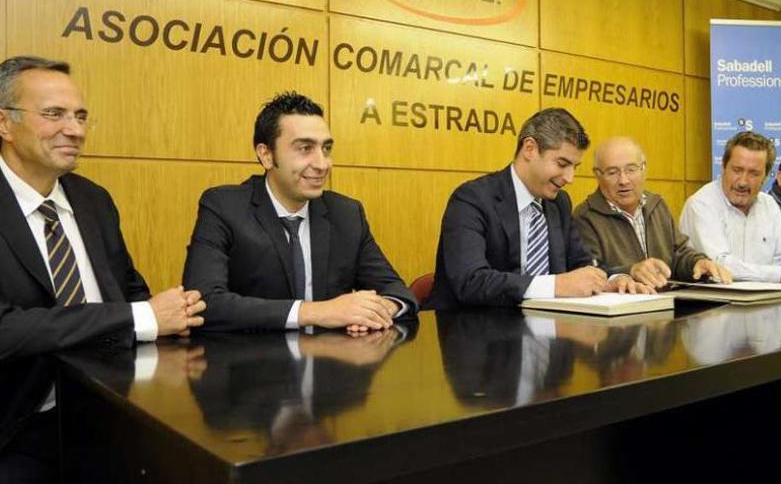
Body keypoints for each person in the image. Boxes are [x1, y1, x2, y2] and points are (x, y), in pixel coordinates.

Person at [0, 55, 205, 482]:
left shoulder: (94, 200)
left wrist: (162, 314)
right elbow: (7, 331)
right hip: (17, 429)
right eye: (53, 114)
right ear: (5, 124)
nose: (74, 130)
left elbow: (129, 289)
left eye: (80, 116)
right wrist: (144, 315)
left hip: (111, 413)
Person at [183, 91, 416, 333]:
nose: (322, 164)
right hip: (252, 364)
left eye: (326, 149)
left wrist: (381, 309)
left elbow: (396, 290)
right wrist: (318, 312)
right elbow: (204, 303)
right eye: (305, 148)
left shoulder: (346, 214)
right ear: (266, 155)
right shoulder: (224, 207)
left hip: (331, 364)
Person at [427, 108, 648, 310]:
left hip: (546, 334)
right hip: (474, 336)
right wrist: (556, 285)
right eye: (562, 164)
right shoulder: (472, 199)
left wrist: (612, 280)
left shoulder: (558, 203)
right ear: (530, 149)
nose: (569, 178)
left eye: (574, 167)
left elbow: (581, 263)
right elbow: (471, 282)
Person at [574, 137, 731, 289]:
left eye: (631, 169)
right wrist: (630, 271)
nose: (623, 180)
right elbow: (590, 272)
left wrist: (698, 263)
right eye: (612, 172)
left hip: (666, 307)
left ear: (643, 169)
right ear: (597, 175)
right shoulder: (585, 217)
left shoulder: (656, 205)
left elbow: (678, 255)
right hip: (623, 310)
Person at [679, 131, 781, 283]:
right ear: (723, 167)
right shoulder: (702, 204)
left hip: (763, 299)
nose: (743, 182)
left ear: (765, 176)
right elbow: (720, 264)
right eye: (737, 170)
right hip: (711, 302)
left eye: (753, 173)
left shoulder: (769, 204)